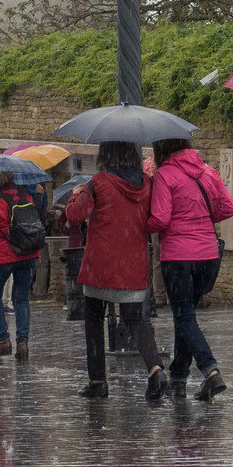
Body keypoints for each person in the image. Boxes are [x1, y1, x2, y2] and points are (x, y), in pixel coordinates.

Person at [67, 141, 165, 400]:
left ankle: (98, 381)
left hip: (102, 264)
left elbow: (76, 215)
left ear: (106, 155)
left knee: (93, 320)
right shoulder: (146, 183)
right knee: (137, 320)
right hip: (133, 264)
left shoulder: (98, 182)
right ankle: (155, 369)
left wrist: (77, 193)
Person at [147, 137, 233, 400]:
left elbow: (161, 219)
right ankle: (178, 376)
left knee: (185, 317)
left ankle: (210, 370)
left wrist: (143, 225)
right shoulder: (208, 171)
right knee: (185, 317)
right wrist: (200, 221)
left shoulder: (165, 174)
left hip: (178, 257)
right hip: (208, 255)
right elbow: (228, 207)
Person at [0, 170, 40, 361]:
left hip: (3, 256)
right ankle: (23, 343)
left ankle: (3, 340)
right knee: (21, 298)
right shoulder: (25, 195)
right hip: (28, 253)